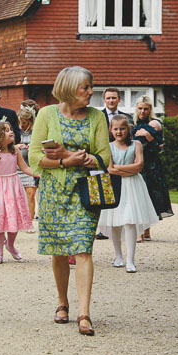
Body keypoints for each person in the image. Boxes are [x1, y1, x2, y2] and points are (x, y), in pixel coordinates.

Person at [29, 66, 111, 336]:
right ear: (68, 89)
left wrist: (82, 158)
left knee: (83, 249)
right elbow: (34, 159)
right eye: (85, 87)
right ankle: (62, 302)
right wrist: (65, 160)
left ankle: (84, 313)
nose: (90, 92)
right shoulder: (46, 114)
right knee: (59, 250)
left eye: (91, 86)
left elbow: (104, 158)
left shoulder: (97, 117)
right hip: (54, 192)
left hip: (86, 192)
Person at [97, 115, 158, 272]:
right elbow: (109, 168)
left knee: (130, 221)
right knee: (115, 222)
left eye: (122, 129)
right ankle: (118, 255)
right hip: (115, 185)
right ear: (111, 130)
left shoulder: (136, 144)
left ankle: (130, 260)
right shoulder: (108, 146)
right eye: (116, 129)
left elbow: (139, 166)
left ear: (128, 129)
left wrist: (119, 168)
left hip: (133, 186)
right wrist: (124, 169)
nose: (119, 132)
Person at [0, 123, 35, 263]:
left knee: (14, 218)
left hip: (13, 187)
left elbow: (25, 168)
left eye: (11, 129)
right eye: (6, 131)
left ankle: (10, 245)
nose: (11, 132)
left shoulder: (15, 151)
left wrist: (39, 173)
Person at [132, 95, 173, 239]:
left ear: (150, 110)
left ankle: (146, 230)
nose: (143, 111)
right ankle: (140, 229)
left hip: (152, 165)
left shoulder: (155, 124)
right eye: (140, 108)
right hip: (137, 163)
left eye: (146, 109)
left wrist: (147, 135)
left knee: (149, 195)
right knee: (138, 195)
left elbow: (158, 147)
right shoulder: (133, 123)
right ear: (136, 108)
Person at [16, 107, 38, 233]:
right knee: (16, 196)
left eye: (24, 122)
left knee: (30, 194)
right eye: (21, 121)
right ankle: (18, 221)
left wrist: (33, 147)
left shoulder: (35, 131)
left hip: (29, 165)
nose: (22, 124)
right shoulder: (15, 130)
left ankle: (29, 223)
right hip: (15, 166)